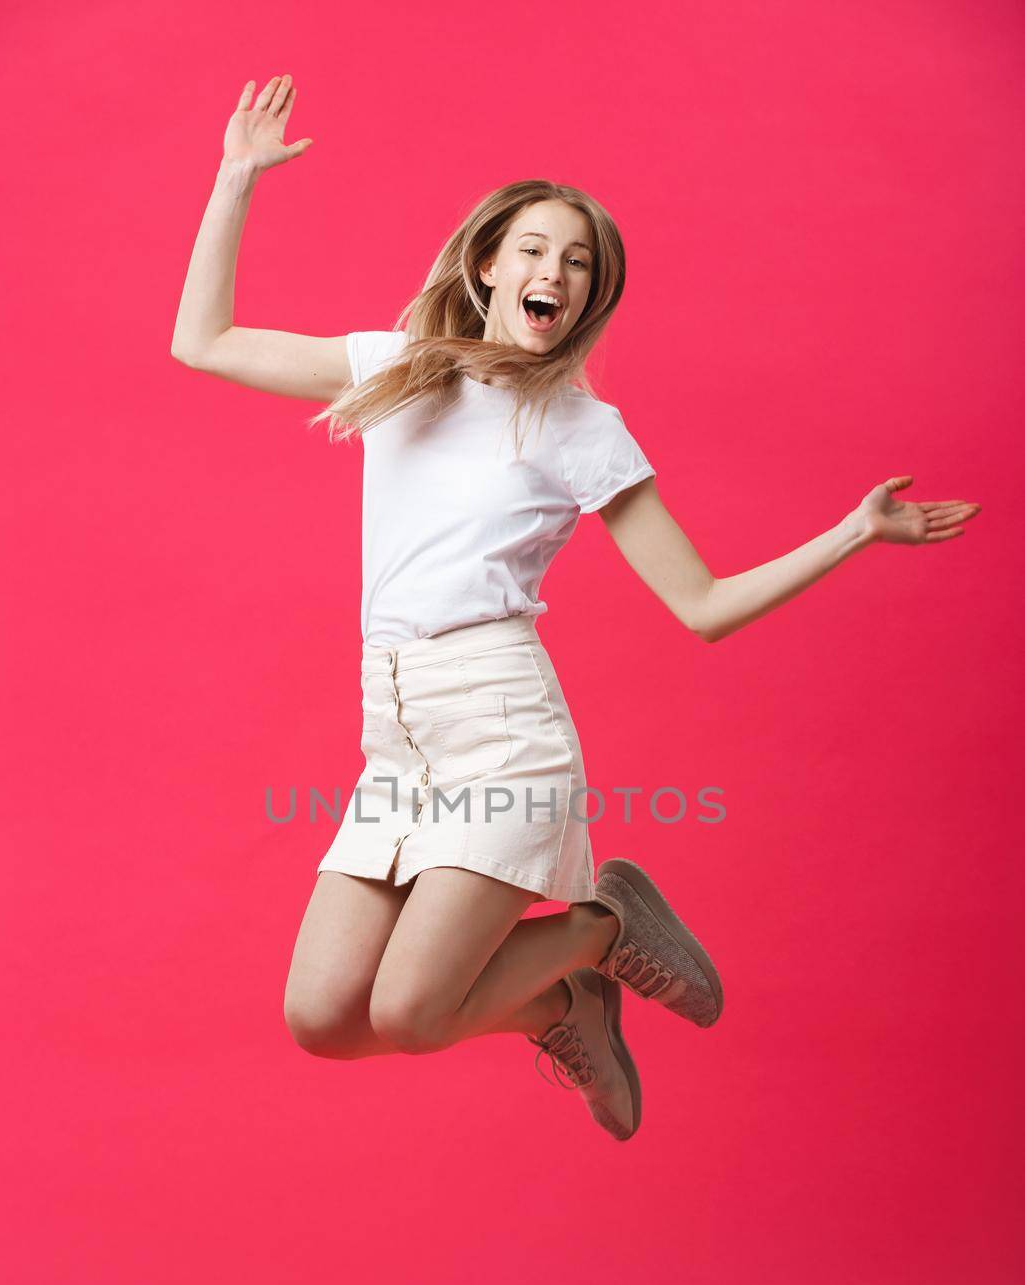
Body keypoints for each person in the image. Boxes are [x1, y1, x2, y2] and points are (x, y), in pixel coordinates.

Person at [171, 75, 981, 1145]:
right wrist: (234, 178)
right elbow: (205, 343)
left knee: (412, 1011)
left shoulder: (584, 429)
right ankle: (569, 1005)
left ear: (589, 295)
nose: (554, 271)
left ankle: (598, 929)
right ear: (489, 266)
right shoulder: (398, 370)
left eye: (579, 261)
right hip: (395, 735)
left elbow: (701, 604)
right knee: (322, 1017)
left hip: (501, 732)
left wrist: (853, 531)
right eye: (536, 250)